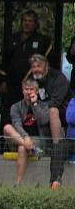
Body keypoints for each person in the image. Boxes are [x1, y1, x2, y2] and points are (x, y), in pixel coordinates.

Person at [0, 10, 52, 124]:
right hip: (12, 84)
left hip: (31, 84)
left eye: (30, 21)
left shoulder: (43, 41)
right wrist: (3, 80)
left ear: (35, 24)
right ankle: (8, 138)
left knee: (28, 113)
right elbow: (5, 61)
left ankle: (27, 137)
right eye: (25, 21)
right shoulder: (12, 39)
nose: (27, 23)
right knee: (9, 112)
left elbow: (47, 64)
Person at [27, 54, 69, 188]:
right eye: (33, 67)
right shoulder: (32, 80)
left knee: (52, 110)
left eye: (38, 66)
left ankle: (56, 144)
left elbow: (56, 102)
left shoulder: (58, 78)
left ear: (46, 66)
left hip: (61, 114)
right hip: (41, 112)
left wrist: (38, 105)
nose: (36, 70)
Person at [3, 79, 49, 184]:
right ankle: (32, 148)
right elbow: (16, 124)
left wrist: (35, 104)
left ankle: (18, 183)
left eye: (31, 89)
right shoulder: (15, 106)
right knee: (7, 128)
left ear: (36, 91)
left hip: (37, 140)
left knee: (22, 148)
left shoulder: (43, 106)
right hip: (18, 138)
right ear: (22, 91)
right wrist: (25, 137)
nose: (28, 92)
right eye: (26, 89)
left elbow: (43, 121)